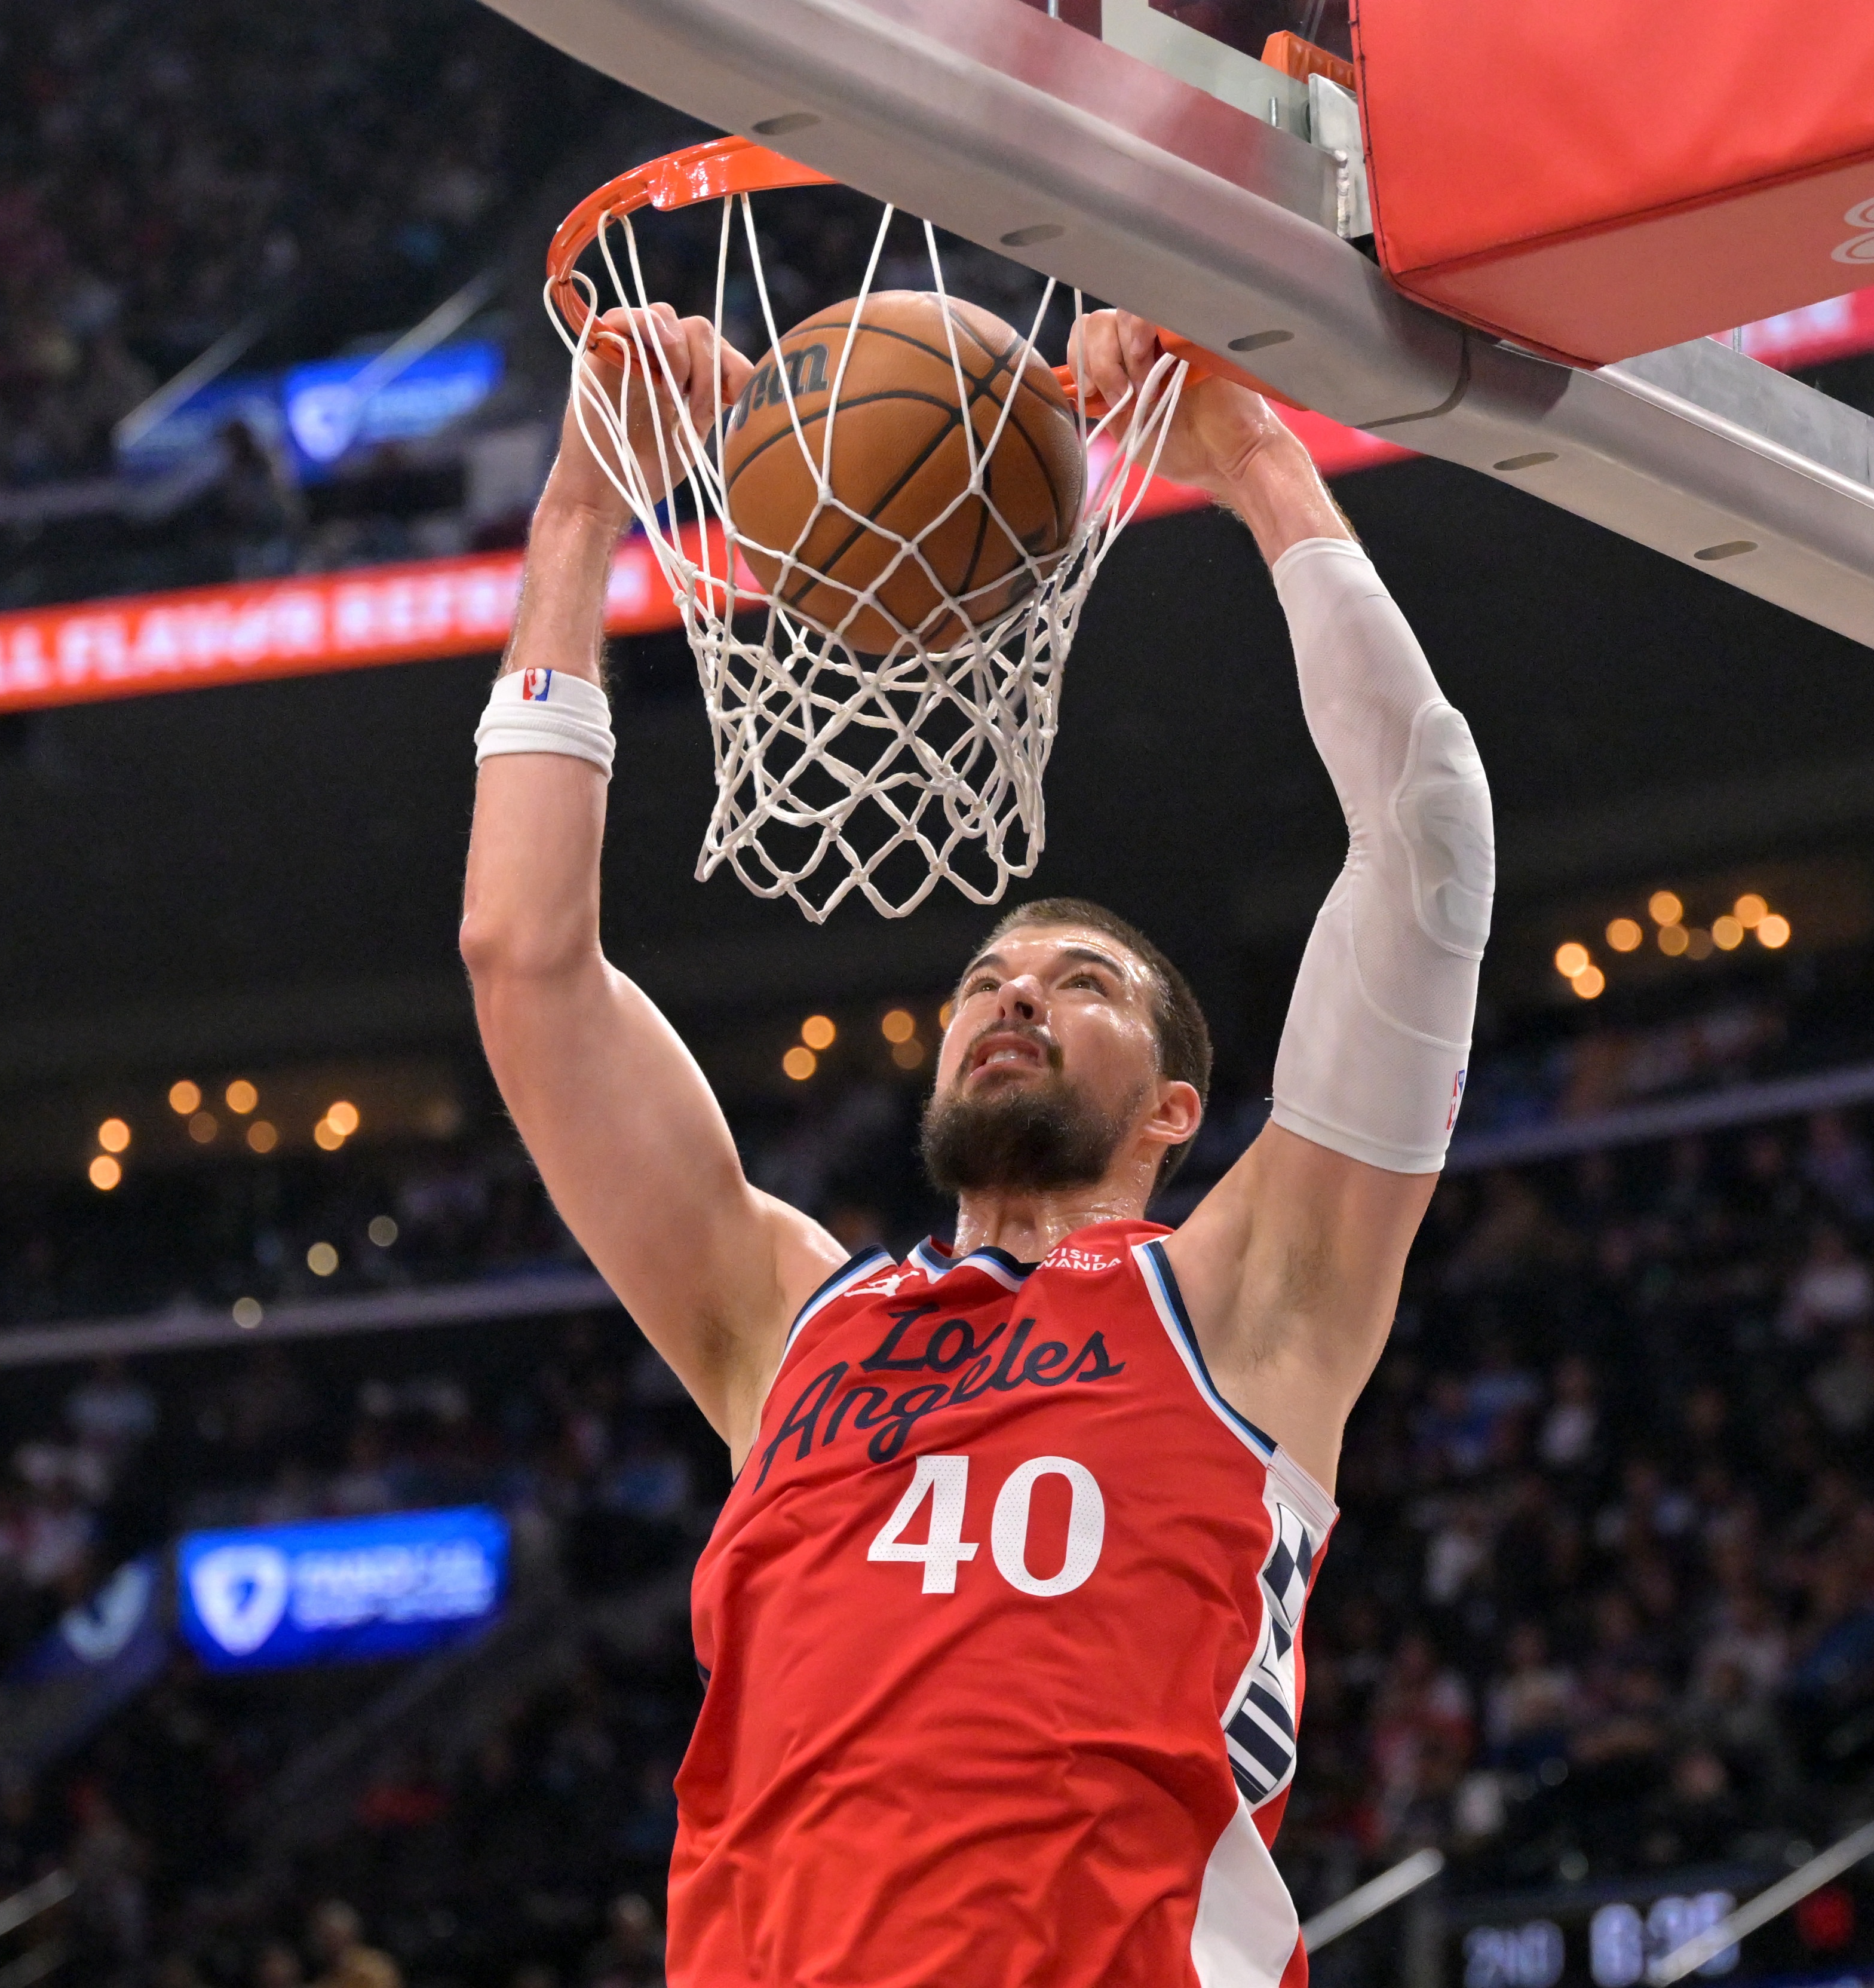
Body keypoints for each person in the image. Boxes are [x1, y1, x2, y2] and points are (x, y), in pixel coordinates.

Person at [463, 305, 1492, 1984]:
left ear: (1173, 1109)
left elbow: (1427, 835)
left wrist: (1249, 457)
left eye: (1082, 984)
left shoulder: (1249, 1301)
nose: (1013, 993)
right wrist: (583, 510)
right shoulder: (784, 1327)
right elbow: (524, 965)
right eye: (986, 981)